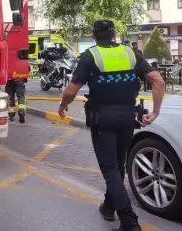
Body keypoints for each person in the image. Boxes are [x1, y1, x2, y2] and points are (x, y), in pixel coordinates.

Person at [58, 19, 164, 231]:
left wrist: (62, 107)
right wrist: (155, 112)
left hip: (102, 118)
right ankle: (109, 207)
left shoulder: (91, 56)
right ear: (114, 34)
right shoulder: (130, 53)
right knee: (118, 165)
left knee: (110, 169)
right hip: (127, 117)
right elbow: (158, 80)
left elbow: (70, 91)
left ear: (95, 35)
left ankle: (129, 220)